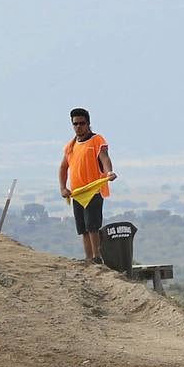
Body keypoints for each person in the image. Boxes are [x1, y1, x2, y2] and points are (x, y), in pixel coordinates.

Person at [58, 107, 118, 263]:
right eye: (75, 124)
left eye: (82, 123)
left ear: (88, 123)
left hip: (93, 190)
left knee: (93, 226)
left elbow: (104, 157)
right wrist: (63, 187)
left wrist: (109, 172)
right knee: (83, 227)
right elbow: (64, 167)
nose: (79, 127)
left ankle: (97, 257)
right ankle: (88, 258)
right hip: (77, 193)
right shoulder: (70, 146)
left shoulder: (97, 140)